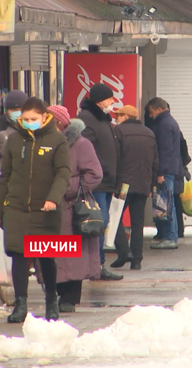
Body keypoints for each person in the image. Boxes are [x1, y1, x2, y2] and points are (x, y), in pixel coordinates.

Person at [0, 98, 71, 322]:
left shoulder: (57, 140)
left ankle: (51, 300)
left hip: (45, 210)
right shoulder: (13, 140)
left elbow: (63, 173)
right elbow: (6, 176)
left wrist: (53, 198)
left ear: (44, 117)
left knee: (46, 257)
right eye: (25, 119)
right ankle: (20, 304)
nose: (29, 123)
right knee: (19, 256)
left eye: (33, 119)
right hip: (17, 209)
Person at [47, 107, 103, 313]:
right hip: (47, 208)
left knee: (72, 256)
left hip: (71, 208)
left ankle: (69, 297)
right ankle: (54, 294)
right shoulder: (43, 143)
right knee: (52, 253)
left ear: (60, 123)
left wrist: (67, 188)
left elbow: (95, 174)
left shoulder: (81, 144)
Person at [77, 83, 122, 281]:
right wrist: (102, 169)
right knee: (97, 223)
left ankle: (97, 264)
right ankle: (96, 265)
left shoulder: (102, 119)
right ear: (100, 100)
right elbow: (89, 150)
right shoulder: (87, 119)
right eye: (110, 98)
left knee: (101, 223)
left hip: (106, 181)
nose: (113, 102)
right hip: (97, 182)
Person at [111, 105, 158, 269]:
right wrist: (151, 186)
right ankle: (137, 259)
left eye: (118, 115)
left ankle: (124, 251)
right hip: (143, 184)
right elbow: (154, 163)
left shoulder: (118, 132)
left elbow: (115, 158)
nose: (116, 118)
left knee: (114, 217)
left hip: (123, 184)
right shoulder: (149, 133)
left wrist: (113, 182)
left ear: (125, 116)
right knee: (137, 222)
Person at [147, 97, 182, 249]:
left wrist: (160, 172)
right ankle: (170, 236)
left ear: (159, 109)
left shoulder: (163, 124)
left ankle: (170, 237)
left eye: (151, 111)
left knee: (166, 204)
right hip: (170, 169)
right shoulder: (170, 122)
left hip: (165, 170)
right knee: (168, 203)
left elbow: (164, 150)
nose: (150, 115)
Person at [0, 90, 28, 159]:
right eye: (13, 110)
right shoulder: (2, 127)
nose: (17, 113)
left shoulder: (33, 126)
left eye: (20, 110)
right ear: (6, 111)